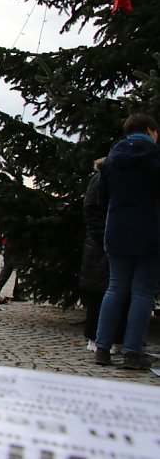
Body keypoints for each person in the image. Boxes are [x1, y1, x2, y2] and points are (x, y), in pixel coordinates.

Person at [95, 114, 160, 370]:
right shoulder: (156, 158)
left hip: (117, 231)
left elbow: (101, 199)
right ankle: (133, 352)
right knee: (142, 292)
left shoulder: (111, 161)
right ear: (149, 130)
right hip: (150, 232)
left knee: (115, 288)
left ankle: (102, 348)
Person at [80, 158, 128, 352]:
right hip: (100, 245)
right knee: (98, 291)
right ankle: (94, 337)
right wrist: (103, 235)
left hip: (114, 241)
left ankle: (117, 339)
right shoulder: (99, 179)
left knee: (121, 292)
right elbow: (90, 210)